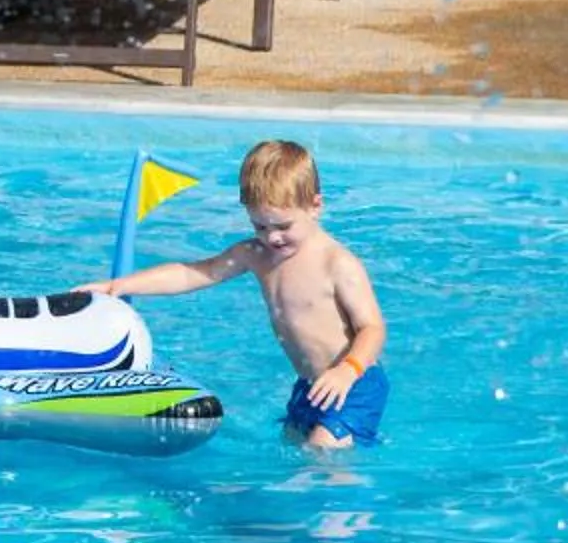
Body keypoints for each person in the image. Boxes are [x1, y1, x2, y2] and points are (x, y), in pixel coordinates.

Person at [82, 139, 389, 448]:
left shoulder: (336, 263)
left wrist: (347, 371)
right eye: (260, 226)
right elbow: (194, 273)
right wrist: (118, 286)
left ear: (315, 207)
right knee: (293, 448)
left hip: (354, 382)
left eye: (283, 225)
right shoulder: (255, 254)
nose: (273, 237)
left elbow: (372, 328)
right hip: (310, 385)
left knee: (322, 450)